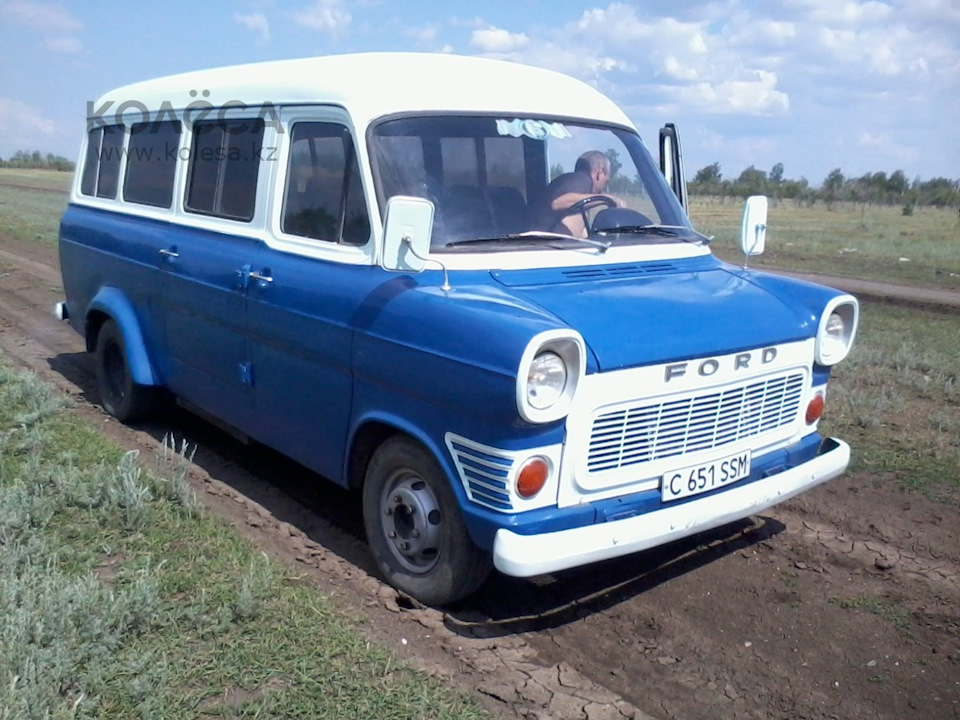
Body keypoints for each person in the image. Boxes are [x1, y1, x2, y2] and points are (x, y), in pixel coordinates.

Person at [534, 150, 623, 237]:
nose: (603, 188)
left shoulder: (581, 192)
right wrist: (605, 198)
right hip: (543, 246)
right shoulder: (583, 178)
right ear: (600, 172)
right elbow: (557, 202)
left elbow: (581, 232)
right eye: (606, 182)